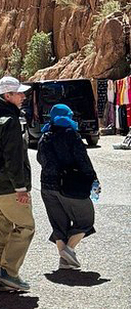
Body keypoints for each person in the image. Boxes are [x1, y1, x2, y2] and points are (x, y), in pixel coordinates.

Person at [0, 76, 35, 292]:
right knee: (26, 227)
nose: (23, 96)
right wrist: (20, 188)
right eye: (19, 93)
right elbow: (13, 158)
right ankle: (9, 272)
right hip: (7, 188)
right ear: (7, 96)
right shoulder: (9, 121)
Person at [36, 104, 98, 269]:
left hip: (47, 187)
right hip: (70, 185)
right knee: (85, 220)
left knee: (58, 224)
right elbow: (82, 159)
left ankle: (64, 261)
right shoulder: (71, 135)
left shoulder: (45, 136)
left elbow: (40, 160)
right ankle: (68, 250)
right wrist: (93, 178)